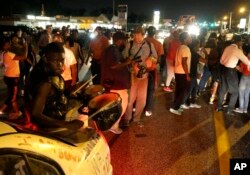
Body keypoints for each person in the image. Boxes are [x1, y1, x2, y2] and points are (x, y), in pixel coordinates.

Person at [24, 42, 84, 130]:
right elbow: (35, 115)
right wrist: (66, 124)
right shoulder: (45, 83)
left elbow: (54, 95)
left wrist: (70, 91)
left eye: (62, 60)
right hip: (49, 128)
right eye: (55, 61)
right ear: (45, 59)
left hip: (58, 116)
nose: (60, 65)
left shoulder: (50, 71)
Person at [123, 26, 157, 126]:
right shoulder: (129, 44)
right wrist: (131, 63)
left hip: (144, 75)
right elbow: (124, 58)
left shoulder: (150, 45)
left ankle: (137, 118)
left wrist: (151, 61)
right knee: (130, 99)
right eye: (134, 34)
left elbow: (155, 57)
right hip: (132, 75)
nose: (135, 37)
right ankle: (127, 118)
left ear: (143, 35)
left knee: (142, 99)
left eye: (137, 35)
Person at [101, 31, 131, 134]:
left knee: (118, 105)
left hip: (116, 83)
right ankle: (113, 126)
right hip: (116, 84)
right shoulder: (112, 50)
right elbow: (113, 66)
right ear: (120, 41)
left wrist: (125, 61)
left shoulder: (114, 49)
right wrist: (127, 62)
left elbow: (116, 63)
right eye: (125, 41)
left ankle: (111, 125)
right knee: (121, 106)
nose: (126, 43)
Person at [217, 35, 250, 115]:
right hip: (231, 72)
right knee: (235, 92)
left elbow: (221, 61)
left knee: (223, 90)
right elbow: (247, 62)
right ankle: (229, 110)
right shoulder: (237, 50)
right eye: (241, 41)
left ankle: (219, 107)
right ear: (239, 42)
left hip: (223, 70)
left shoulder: (227, 48)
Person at [0, 38, 28, 118]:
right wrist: (26, 47)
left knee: (11, 95)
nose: (9, 44)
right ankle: (16, 112)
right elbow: (24, 57)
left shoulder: (3, 54)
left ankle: (1, 110)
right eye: (7, 44)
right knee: (13, 97)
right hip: (12, 78)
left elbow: (2, 64)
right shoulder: (9, 54)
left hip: (8, 76)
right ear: (3, 47)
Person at [169, 32, 192, 115]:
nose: (191, 39)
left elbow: (176, 60)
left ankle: (176, 106)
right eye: (189, 37)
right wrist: (187, 75)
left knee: (179, 90)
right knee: (185, 90)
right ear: (185, 39)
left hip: (178, 71)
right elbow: (184, 62)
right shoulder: (185, 48)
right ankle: (175, 107)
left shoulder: (180, 47)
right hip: (182, 72)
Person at [144, 26, 164, 116]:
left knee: (139, 88)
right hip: (152, 69)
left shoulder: (140, 41)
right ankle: (148, 109)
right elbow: (159, 59)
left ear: (147, 32)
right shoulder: (158, 43)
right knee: (150, 89)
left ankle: (135, 107)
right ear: (155, 33)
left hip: (139, 68)